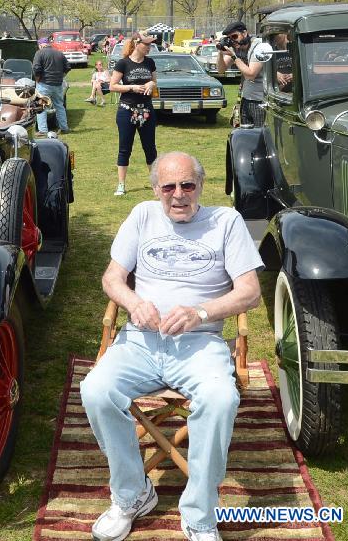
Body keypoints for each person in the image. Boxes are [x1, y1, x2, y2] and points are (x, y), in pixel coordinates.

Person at [82, 151, 263, 541]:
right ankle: (132, 495)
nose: (178, 195)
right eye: (168, 186)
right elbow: (112, 279)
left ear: (201, 185)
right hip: (140, 341)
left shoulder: (226, 221)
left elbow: (250, 293)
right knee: (95, 390)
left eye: (187, 185)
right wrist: (133, 303)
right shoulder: (142, 215)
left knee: (220, 399)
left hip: (199, 344)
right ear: (155, 189)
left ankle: (199, 514)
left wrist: (200, 312)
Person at [109, 30, 158, 196]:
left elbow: (155, 81)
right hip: (127, 111)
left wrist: (151, 84)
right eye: (147, 45)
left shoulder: (150, 62)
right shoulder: (123, 63)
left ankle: (155, 185)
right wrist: (132, 87)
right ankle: (121, 185)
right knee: (125, 148)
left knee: (150, 148)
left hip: (146, 111)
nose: (149, 48)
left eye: (150, 45)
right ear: (137, 44)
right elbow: (112, 86)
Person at [216, 21, 263, 127]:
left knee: (260, 136)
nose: (233, 41)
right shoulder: (236, 49)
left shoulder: (258, 46)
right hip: (246, 98)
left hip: (261, 101)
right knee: (247, 135)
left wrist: (234, 56)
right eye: (229, 39)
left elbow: (250, 75)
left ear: (245, 33)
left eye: (235, 36)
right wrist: (220, 52)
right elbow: (220, 70)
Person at [32, 37, 71, 135]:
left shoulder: (39, 53)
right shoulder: (59, 53)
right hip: (58, 84)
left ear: (40, 45)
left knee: (40, 106)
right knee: (59, 106)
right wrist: (61, 77)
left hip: (44, 84)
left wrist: (37, 80)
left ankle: (43, 130)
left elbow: (36, 68)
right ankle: (64, 128)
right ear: (49, 44)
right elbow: (68, 67)